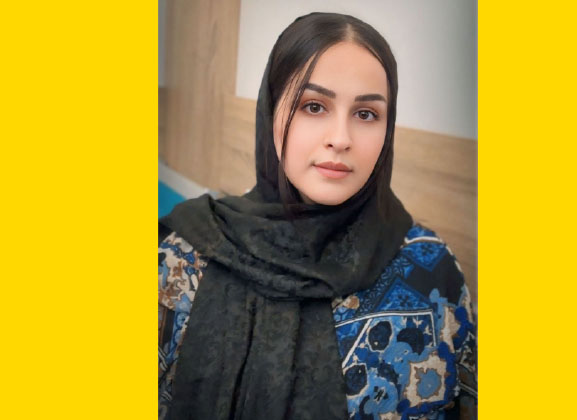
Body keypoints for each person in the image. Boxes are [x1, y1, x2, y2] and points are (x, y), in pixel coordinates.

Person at [158, 12, 477, 420]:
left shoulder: (432, 271)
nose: (340, 139)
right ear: (272, 111)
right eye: (313, 106)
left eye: (366, 114)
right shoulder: (181, 259)